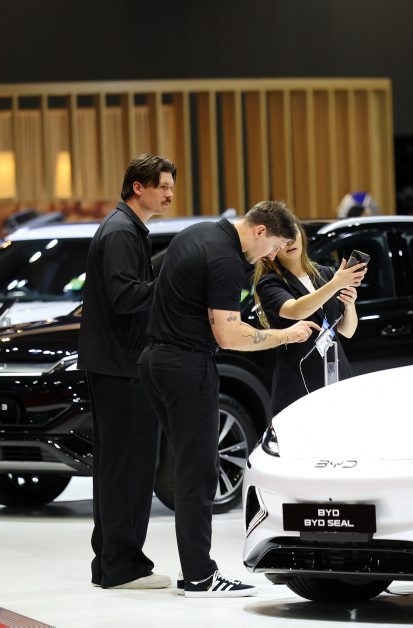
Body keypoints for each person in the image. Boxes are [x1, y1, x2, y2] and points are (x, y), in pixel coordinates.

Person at [138, 200, 318, 598]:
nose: (270, 256)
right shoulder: (225, 259)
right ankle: (200, 576)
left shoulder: (197, 233)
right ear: (259, 231)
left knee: (188, 467)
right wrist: (286, 335)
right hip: (186, 365)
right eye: (273, 247)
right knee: (199, 472)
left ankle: (196, 571)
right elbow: (229, 335)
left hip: (155, 360)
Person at [78, 154, 176, 590]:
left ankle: (111, 564)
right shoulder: (121, 231)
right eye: (163, 186)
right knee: (129, 468)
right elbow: (124, 297)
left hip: (118, 365)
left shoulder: (125, 228)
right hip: (122, 366)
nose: (170, 194)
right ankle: (123, 567)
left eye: (171, 186)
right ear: (139, 187)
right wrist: (171, 285)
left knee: (120, 467)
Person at [252, 217, 366, 414]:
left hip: (336, 373)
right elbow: (296, 310)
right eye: (282, 237)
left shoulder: (325, 273)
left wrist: (349, 305)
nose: (290, 241)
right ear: (272, 246)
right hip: (299, 380)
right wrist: (336, 284)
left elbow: (347, 331)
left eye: (293, 233)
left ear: (301, 236)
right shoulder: (270, 283)